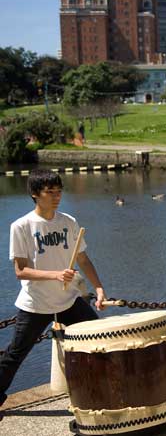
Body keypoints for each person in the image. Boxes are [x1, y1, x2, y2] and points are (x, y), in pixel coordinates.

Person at [1, 169, 107, 409]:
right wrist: (56, 274)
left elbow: (83, 260)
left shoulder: (69, 222)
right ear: (35, 194)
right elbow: (20, 271)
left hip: (69, 300)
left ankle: (103, 390)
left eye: (59, 191)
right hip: (35, 303)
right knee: (15, 355)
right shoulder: (21, 226)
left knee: (99, 341)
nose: (56, 197)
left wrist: (99, 288)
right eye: (50, 192)